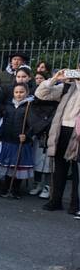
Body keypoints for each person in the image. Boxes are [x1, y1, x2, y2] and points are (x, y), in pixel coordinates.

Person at [35, 69, 80, 214]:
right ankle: (55, 201)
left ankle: (75, 204)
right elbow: (41, 94)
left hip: (77, 132)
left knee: (76, 171)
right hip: (62, 130)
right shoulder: (68, 86)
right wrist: (55, 78)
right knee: (59, 167)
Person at [0, 83, 34, 199]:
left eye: (21, 92)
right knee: (8, 166)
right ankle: (6, 187)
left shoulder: (29, 106)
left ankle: (16, 189)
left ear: (27, 93)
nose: (18, 94)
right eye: (16, 92)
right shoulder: (9, 106)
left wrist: (26, 136)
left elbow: (32, 125)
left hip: (20, 142)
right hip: (8, 140)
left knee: (18, 167)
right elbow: (4, 121)